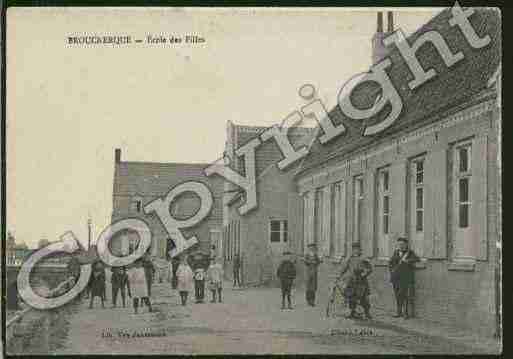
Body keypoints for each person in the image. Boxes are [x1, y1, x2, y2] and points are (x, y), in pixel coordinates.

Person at [337, 242, 373, 320]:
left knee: (364, 298)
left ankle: (367, 312)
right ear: (352, 250)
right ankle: (352, 312)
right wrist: (339, 275)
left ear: (360, 250)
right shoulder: (350, 259)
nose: (356, 251)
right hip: (352, 281)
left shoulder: (364, 259)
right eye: (354, 249)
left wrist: (364, 274)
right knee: (352, 297)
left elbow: (369, 269)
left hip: (361, 281)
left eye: (357, 249)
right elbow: (344, 268)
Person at [389, 237, 420, 319]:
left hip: (405, 278)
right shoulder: (396, 253)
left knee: (405, 296)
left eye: (403, 244)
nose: (401, 246)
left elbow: (417, 259)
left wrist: (408, 261)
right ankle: (399, 312)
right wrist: (392, 271)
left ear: (406, 245)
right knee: (397, 295)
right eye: (399, 244)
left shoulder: (410, 253)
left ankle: (406, 313)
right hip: (396, 278)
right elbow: (391, 263)